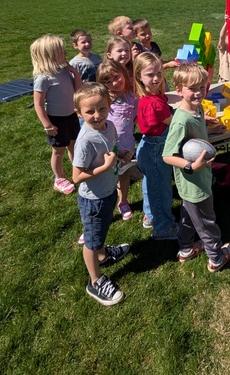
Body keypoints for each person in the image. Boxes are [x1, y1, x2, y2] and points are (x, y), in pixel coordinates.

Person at [163, 64, 230, 273]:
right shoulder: (181, 121)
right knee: (206, 220)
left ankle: (185, 248)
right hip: (194, 181)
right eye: (192, 88)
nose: (198, 93)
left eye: (201, 87)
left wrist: (210, 128)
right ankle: (216, 257)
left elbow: (196, 139)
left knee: (188, 215)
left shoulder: (197, 108)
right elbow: (167, 156)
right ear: (179, 90)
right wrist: (192, 166)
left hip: (197, 179)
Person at [72, 83, 131, 305]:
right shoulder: (85, 140)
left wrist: (120, 153)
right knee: (91, 239)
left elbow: (111, 148)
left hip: (106, 193)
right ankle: (95, 281)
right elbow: (77, 176)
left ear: (109, 106)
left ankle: (103, 255)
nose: (97, 115)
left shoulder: (109, 126)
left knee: (100, 231)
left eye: (102, 109)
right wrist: (105, 167)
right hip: (93, 198)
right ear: (79, 113)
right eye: (89, 111)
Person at [30, 34, 82, 195]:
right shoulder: (43, 79)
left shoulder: (64, 71)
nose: (66, 53)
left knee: (73, 145)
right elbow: (38, 105)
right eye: (62, 51)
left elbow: (78, 90)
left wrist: (75, 74)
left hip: (71, 116)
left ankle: (77, 169)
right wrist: (48, 125)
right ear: (51, 55)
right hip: (56, 120)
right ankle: (59, 178)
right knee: (58, 151)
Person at [133, 52, 178, 240]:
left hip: (147, 146)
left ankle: (151, 217)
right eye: (150, 75)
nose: (156, 78)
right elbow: (175, 123)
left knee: (150, 186)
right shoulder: (154, 104)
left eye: (159, 73)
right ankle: (163, 228)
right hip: (156, 150)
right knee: (161, 191)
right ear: (139, 77)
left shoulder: (150, 95)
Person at [96, 59, 139, 221]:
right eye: (107, 82)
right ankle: (103, 206)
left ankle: (123, 201)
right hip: (107, 145)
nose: (114, 83)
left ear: (124, 73)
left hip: (127, 144)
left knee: (124, 173)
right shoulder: (103, 98)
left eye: (116, 77)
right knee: (107, 176)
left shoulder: (132, 92)